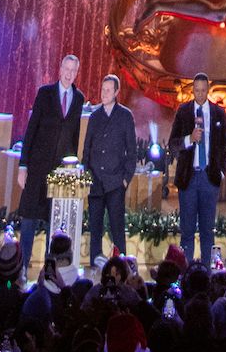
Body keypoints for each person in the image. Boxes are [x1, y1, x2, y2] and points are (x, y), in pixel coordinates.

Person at [16, 51, 84, 272]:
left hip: (60, 174)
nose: (69, 74)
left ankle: (49, 272)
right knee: (29, 220)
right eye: (67, 69)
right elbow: (31, 129)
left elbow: (74, 137)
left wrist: (71, 170)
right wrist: (23, 165)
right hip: (37, 168)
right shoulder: (45, 94)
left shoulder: (79, 98)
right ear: (60, 70)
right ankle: (23, 268)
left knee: (54, 224)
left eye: (73, 71)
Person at [168, 69, 226, 270]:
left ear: (208, 90)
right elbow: (173, 144)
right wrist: (189, 139)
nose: (200, 94)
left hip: (209, 178)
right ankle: (186, 274)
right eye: (197, 90)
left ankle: (206, 274)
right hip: (189, 177)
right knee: (187, 230)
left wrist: (220, 172)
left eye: (203, 90)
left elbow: (223, 146)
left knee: (207, 230)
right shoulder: (183, 112)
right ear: (192, 90)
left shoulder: (219, 113)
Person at [81, 71, 137, 265]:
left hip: (115, 183)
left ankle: (121, 265)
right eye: (102, 90)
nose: (104, 93)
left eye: (108, 90)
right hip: (95, 182)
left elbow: (132, 151)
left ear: (116, 92)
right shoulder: (95, 116)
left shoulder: (125, 116)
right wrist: (87, 175)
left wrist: (125, 179)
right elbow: (86, 148)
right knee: (95, 227)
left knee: (117, 227)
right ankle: (95, 263)